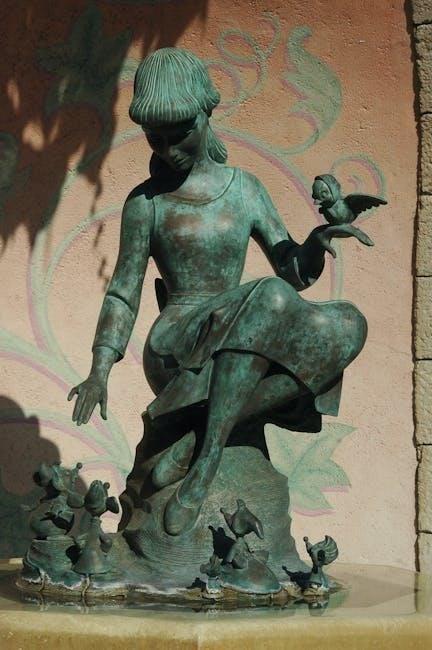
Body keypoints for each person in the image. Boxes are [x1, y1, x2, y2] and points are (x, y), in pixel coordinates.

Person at [68, 47, 370, 536]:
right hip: (178, 343)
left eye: (180, 133)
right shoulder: (146, 203)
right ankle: (206, 464)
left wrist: (316, 242)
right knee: (270, 296)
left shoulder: (245, 188)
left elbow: (292, 272)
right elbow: (123, 291)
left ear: (207, 114)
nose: (169, 149)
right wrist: (99, 369)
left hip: (245, 325)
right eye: (156, 138)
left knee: (349, 324)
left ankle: (194, 443)